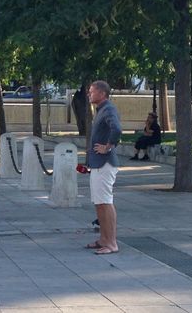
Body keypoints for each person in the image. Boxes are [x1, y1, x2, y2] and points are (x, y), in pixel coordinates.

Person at [85, 80, 122, 255]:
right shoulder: (101, 110)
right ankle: (104, 239)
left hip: (104, 162)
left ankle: (112, 243)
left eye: (91, 91)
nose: (89, 94)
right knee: (100, 203)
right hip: (98, 163)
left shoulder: (108, 109)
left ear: (102, 93)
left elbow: (117, 129)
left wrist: (108, 146)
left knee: (105, 203)